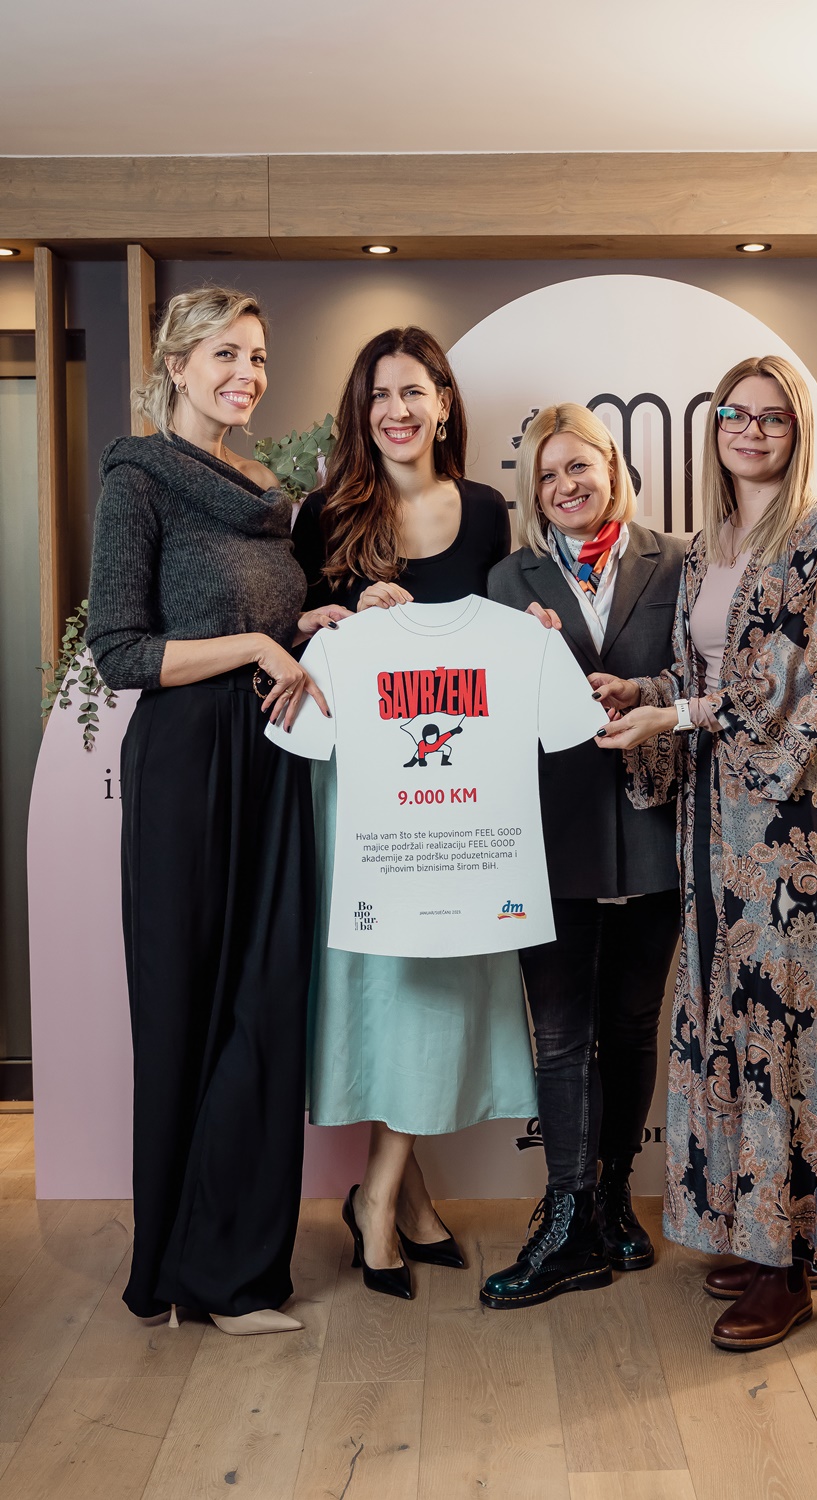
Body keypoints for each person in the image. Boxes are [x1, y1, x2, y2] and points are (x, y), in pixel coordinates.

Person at [593, 355, 817, 1351]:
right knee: (731, 1021)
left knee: (785, 1029)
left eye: (773, 417)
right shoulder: (706, 547)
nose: (752, 430)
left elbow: (794, 685)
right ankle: (770, 1230)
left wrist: (679, 714)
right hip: (716, 824)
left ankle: (790, 1265)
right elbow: (700, 676)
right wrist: (643, 696)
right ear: (715, 427)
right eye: (736, 413)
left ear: (795, 432)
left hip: (796, 823)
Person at [86, 286, 341, 1336]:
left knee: (266, 1004)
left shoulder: (266, 490)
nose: (248, 373)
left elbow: (270, 620)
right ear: (177, 365)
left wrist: (319, 619)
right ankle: (177, 1272)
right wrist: (256, 645)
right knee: (186, 1009)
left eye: (259, 356)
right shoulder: (138, 480)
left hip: (272, 762)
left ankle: (234, 1269)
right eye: (227, 353)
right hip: (186, 768)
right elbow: (119, 652)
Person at [292, 326, 536, 1297]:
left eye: (412, 392)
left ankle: (382, 1194)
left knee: (436, 984)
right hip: (362, 790)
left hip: (458, 792)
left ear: (443, 403)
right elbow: (298, 648)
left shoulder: (486, 513)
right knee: (383, 988)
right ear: (362, 412)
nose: (395, 411)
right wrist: (342, 620)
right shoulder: (323, 516)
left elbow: (496, 646)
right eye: (378, 395)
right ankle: (392, 1201)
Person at [480, 403, 686, 1309]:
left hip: (653, 832)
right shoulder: (508, 577)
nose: (566, 486)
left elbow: (701, 677)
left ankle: (611, 1199)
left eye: (579, 466)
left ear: (612, 467)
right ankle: (565, 1216)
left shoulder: (677, 561)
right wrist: (523, 657)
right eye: (547, 474)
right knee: (561, 1034)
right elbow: (487, 712)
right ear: (532, 491)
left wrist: (643, 690)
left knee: (633, 1026)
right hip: (550, 837)